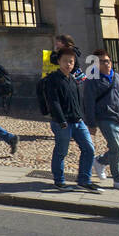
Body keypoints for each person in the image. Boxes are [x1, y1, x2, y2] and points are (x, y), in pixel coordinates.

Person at [39, 47, 101, 192]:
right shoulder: (53, 79)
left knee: (89, 149)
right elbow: (54, 102)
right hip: (62, 123)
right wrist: (61, 121)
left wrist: (82, 117)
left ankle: (84, 180)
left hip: (78, 121)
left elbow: (78, 100)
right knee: (61, 152)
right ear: (59, 61)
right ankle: (59, 181)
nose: (68, 64)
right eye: (65, 61)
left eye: (71, 62)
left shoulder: (73, 79)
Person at [83, 49, 119, 191]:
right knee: (116, 149)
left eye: (107, 60)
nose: (106, 64)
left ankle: (100, 161)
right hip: (105, 118)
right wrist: (91, 123)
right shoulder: (91, 80)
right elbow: (88, 103)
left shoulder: (117, 77)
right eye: (101, 61)